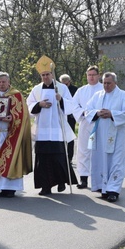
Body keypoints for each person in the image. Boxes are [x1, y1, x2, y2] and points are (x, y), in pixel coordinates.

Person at [27, 56, 77, 195]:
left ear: (52, 74)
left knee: (58, 158)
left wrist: (61, 100)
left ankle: (61, 182)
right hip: (42, 130)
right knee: (42, 160)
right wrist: (39, 104)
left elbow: (71, 106)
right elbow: (29, 105)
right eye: (43, 75)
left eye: (47, 74)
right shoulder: (36, 89)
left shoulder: (61, 88)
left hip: (57, 129)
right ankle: (46, 186)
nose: (45, 77)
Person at [84, 72, 125, 202]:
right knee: (101, 160)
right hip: (100, 135)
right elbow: (87, 110)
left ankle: (113, 190)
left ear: (115, 83)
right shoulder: (97, 95)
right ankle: (102, 188)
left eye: (108, 83)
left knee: (116, 162)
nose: (106, 85)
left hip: (117, 136)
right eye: (104, 83)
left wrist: (112, 114)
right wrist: (97, 112)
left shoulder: (123, 95)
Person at [71, 66, 103, 189]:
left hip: (100, 123)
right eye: (89, 75)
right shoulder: (81, 90)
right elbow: (74, 106)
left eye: (93, 75)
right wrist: (83, 113)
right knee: (83, 150)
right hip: (85, 123)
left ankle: (99, 180)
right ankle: (83, 178)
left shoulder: (103, 88)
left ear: (98, 75)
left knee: (98, 151)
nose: (91, 77)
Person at [59, 74, 79, 168]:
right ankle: (62, 157)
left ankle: (70, 158)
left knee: (70, 138)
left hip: (70, 117)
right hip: (61, 117)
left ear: (69, 82)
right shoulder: (58, 89)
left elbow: (75, 104)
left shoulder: (75, 90)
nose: (64, 86)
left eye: (66, 84)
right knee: (61, 138)